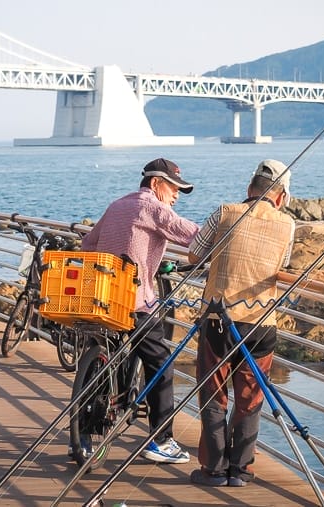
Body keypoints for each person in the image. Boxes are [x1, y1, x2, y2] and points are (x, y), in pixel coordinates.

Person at [80, 157, 199, 464]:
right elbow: (193, 235)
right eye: (173, 188)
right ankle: (161, 440)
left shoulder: (117, 205)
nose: (175, 196)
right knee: (161, 364)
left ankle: (80, 435)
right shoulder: (152, 207)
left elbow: (87, 245)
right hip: (135, 301)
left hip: (102, 298)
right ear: (156, 183)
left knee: (114, 353)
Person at [186, 159, 295, 487]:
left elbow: (194, 254)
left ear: (250, 188)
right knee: (251, 398)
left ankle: (214, 470)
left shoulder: (225, 212)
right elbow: (284, 263)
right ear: (281, 197)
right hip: (262, 325)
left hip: (219, 322)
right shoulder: (288, 225)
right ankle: (242, 471)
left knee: (213, 395)